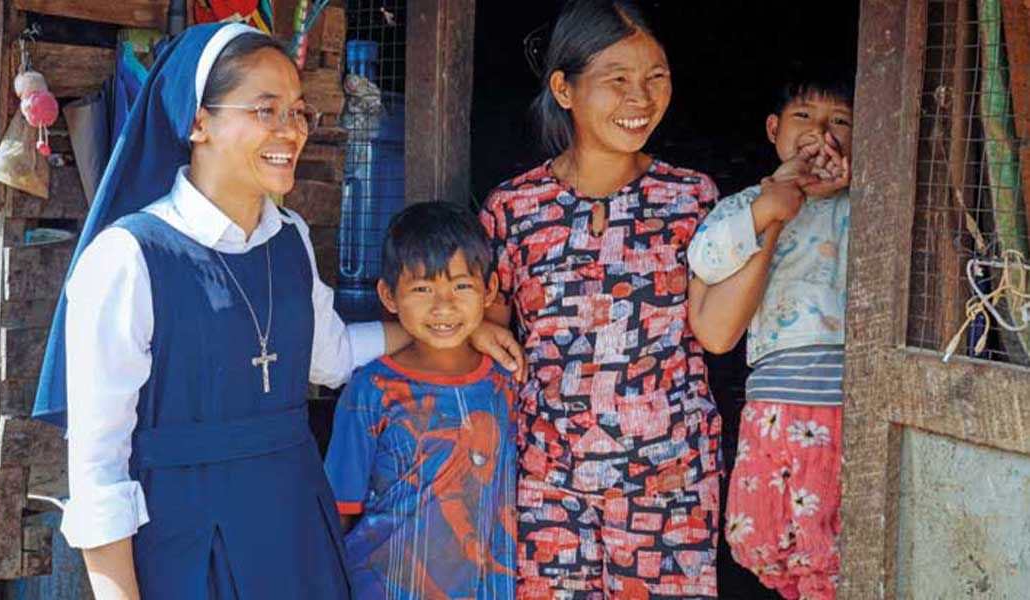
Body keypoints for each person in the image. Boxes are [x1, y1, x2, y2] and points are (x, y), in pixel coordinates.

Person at [30, 24, 524, 599]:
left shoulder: (290, 239)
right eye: (266, 111)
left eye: (297, 111)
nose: (291, 131)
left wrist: (451, 335)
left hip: (293, 531)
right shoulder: (127, 258)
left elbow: (331, 354)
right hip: (187, 541)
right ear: (197, 122)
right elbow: (98, 468)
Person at [480, 2, 722, 597]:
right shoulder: (514, 208)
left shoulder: (691, 199)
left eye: (655, 77)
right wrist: (480, 330)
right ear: (564, 88)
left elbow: (716, 331)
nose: (640, 98)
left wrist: (768, 217)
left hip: (670, 481)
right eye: (617, 79)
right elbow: (491, 331)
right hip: (549, 481)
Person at [686, 72, 853, 600]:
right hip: (775, 404)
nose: (821, 133)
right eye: (804, 117)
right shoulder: (744, 205)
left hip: (845, 402)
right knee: (760, 533)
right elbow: (705, 258)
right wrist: (770, 204)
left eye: (841, 122)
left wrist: (860, 178)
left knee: (836, 541)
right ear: (773, 129)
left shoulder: (865, 207)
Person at [325, 202, 517, 599]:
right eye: (422, 289)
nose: (443, 305)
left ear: (491, 290)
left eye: (461, 286)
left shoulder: (506, 384)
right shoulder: (370, 391)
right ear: (388, 295)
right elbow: (339, 511)